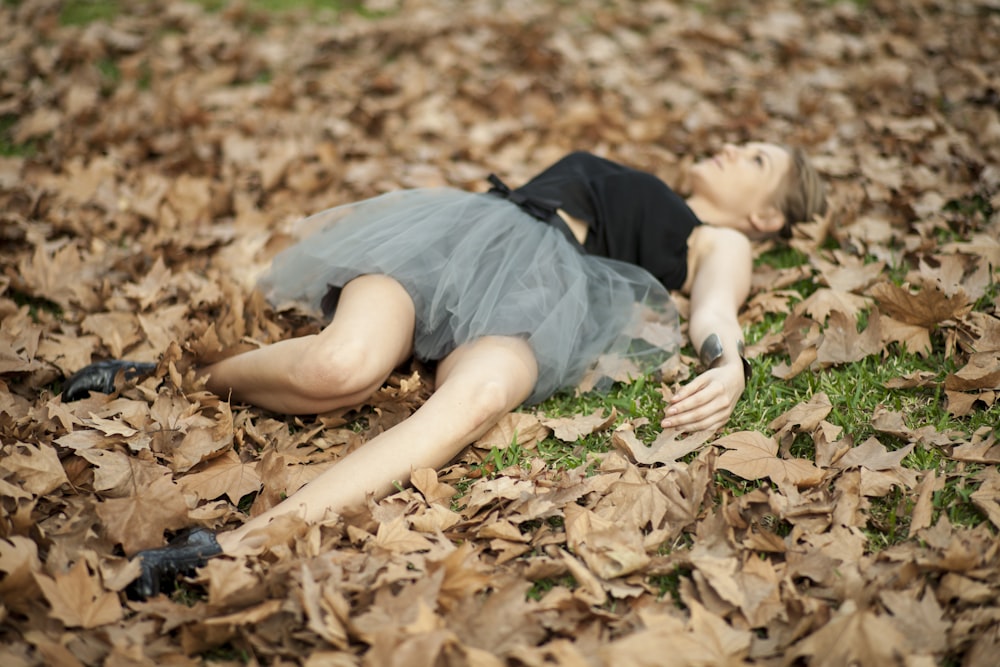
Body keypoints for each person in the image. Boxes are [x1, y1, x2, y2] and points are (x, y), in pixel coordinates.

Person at [61, 142, 826, 597]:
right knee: (341, 366)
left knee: (480, 397)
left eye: (756, 159)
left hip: (548, 303)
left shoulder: (721, 242)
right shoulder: (642, 179)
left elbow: (715, 313)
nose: (734, 147)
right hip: (458, 246)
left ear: (764, 217)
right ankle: (164, 377)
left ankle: (226, 550)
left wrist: (729, 367)